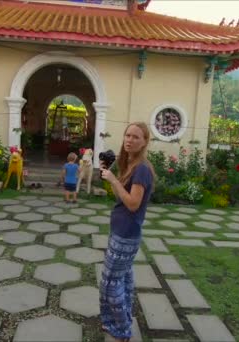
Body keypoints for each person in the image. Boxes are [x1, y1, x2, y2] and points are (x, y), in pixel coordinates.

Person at [99, 122, 155, 342]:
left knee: (110, 284)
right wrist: (110, 174)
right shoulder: (131, 164)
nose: (130, 140)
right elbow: (121, 198)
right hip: (121, 230)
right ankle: (115, 322)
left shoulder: (141, 168)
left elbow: (133, 204)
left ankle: (122, 330)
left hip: (126, 234)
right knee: (123, 280)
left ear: (145, 141)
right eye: (127, 135)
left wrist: (113, 180)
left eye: (136, 137)